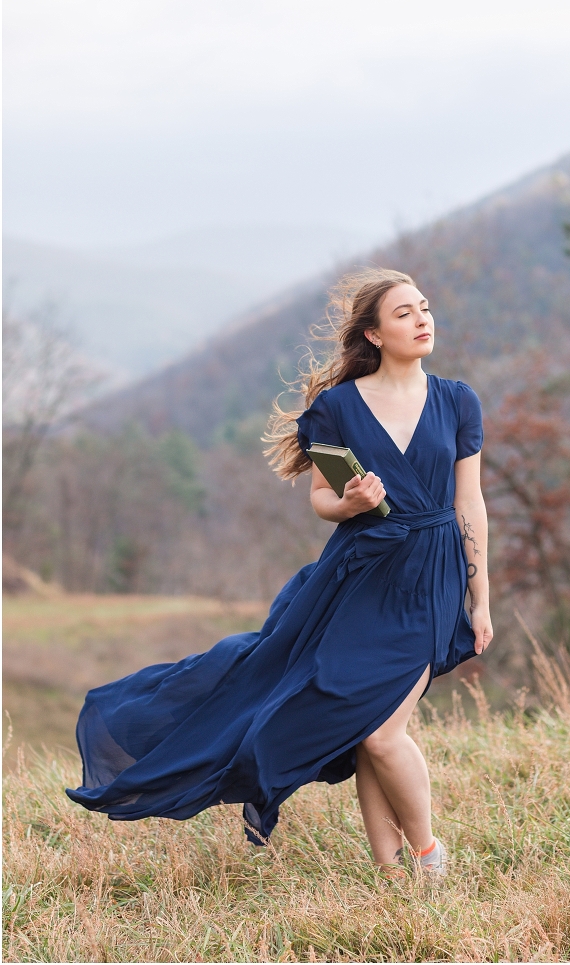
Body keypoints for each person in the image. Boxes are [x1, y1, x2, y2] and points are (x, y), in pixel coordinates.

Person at [66, 268, 493, 881]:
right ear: (373, 333)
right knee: (367, 726)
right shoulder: (337, 408)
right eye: (404, 313)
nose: (423, 319)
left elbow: (469, 504)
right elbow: (322, 496)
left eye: (424, 307)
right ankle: (395, 869)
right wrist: (348, 505)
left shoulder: (458, 400)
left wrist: (480, 601)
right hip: (358, 578)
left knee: (380, 731)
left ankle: (427, 857)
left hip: (431, 579)